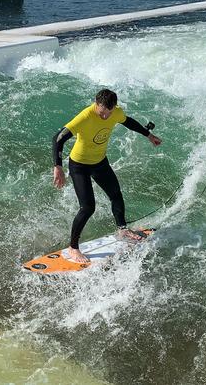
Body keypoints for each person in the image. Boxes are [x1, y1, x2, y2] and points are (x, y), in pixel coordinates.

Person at [52, 89, 162, 263]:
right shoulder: (85, 117)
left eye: (109, 113)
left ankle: (122, 230)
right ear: (97, 103)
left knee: (116, 195)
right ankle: (73, 248)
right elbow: (58, 138)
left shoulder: (115, 112)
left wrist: (148, 135)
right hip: (79, 165)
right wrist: (57, 166)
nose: (105, 117)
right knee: (87, 207)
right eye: (103, 112)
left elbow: (129, 122)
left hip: (99, 162)